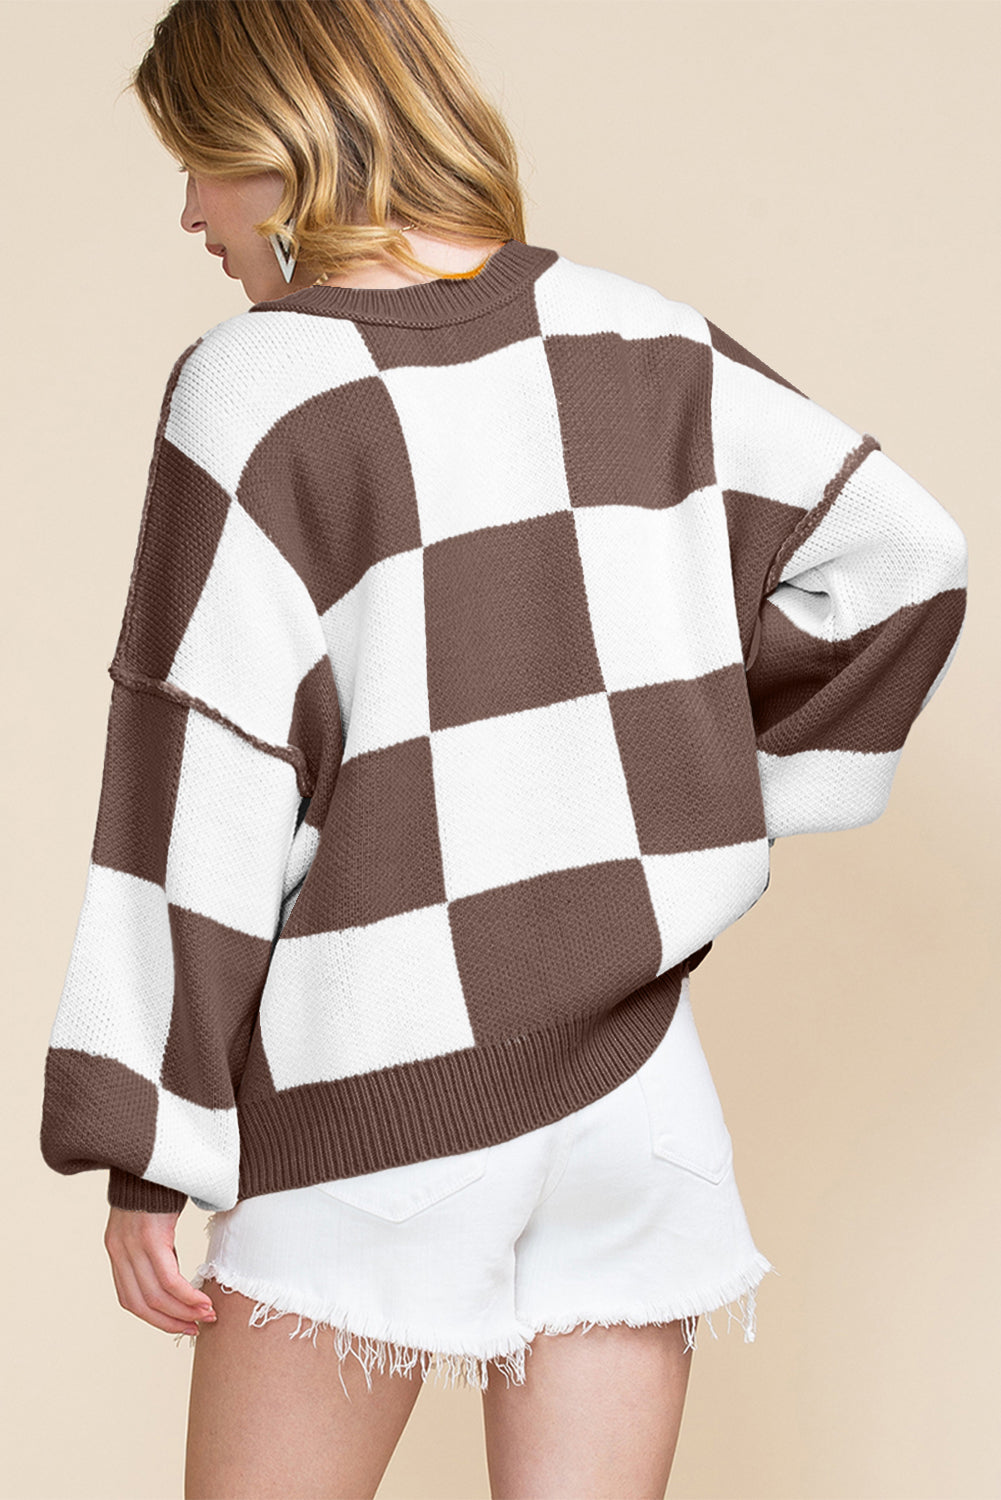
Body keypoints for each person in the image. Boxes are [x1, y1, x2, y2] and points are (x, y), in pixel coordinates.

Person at [38, 2, 968, 1497]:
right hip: (639, 1102)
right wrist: (673, 794)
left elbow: (199, 770)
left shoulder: (261, 384)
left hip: (377, 1093)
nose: (190, 212)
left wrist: (150, 1138)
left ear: (278, 141)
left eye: (198, 161)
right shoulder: (643, 337)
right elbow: (903, 561)